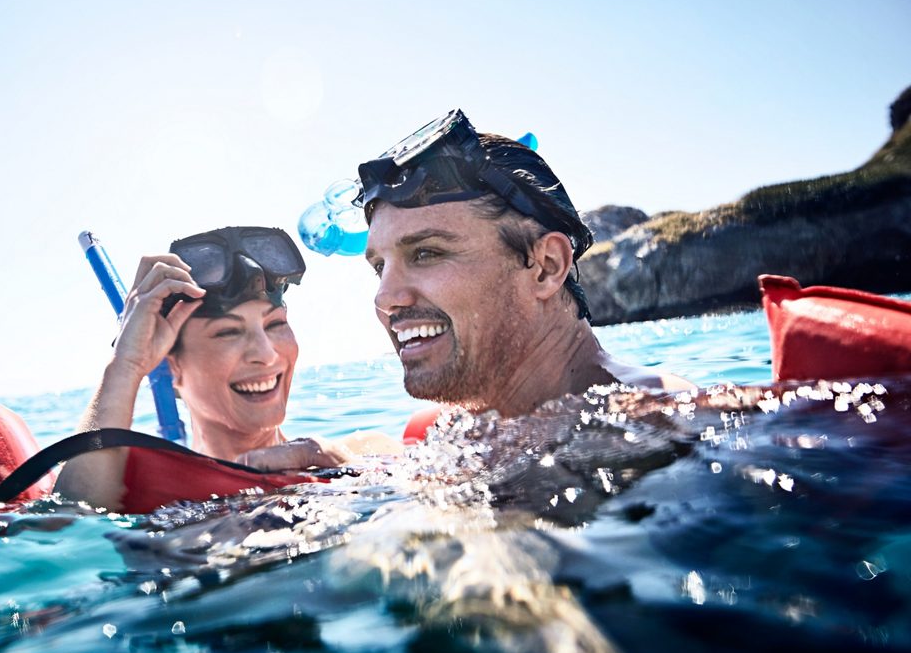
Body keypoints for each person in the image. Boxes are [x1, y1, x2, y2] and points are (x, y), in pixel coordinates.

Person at [356, 109, 694, 417]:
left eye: (426, 253)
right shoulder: (445, 430)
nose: (384, 299)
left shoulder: (666, 421)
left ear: (546, 266)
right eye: (379, 267)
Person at [54, 225, 396, 510]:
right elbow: (71, 530)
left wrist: (348, 478)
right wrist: (125, 365)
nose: (265, 353)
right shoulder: (138, 495)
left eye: (275, 324)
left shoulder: (366, 455)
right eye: (228, 332)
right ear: (170, 369)